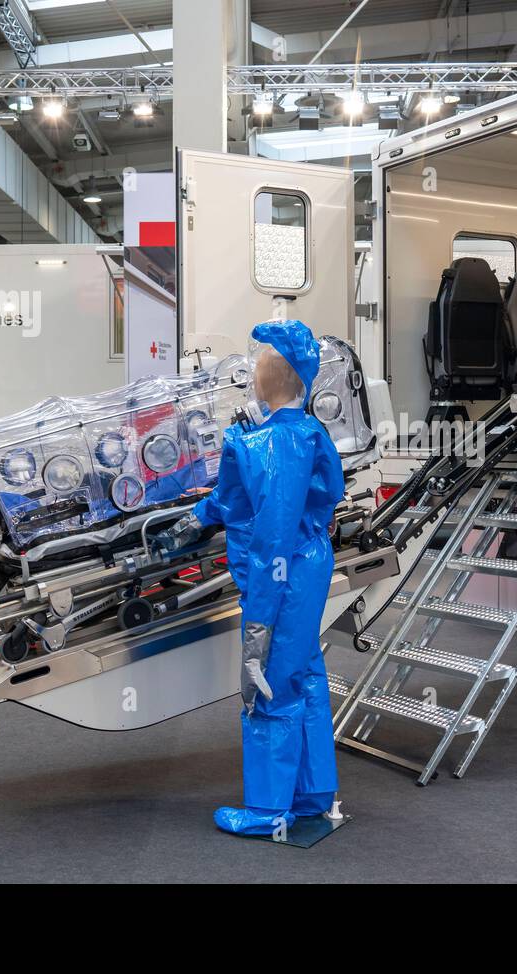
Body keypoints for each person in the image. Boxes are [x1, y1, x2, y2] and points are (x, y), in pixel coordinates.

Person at [156, 320, 345, 836]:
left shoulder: (276, 443)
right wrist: (197, 518)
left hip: (281, 578)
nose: (252, 374)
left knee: (267, 684)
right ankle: (309, 796)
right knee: (304, 676)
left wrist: (259, 622)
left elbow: (272, 541)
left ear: (275, 377)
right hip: (306, 567)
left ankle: (267, 811)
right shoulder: (294, 433)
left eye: (259, 365)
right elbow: (241, 500)